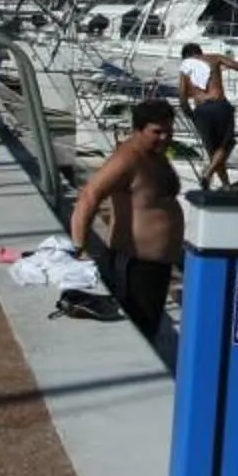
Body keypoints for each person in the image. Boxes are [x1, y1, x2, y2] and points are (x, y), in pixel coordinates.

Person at [67, 98, 183, 337]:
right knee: (137, 333)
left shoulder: (156, 154)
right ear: (137, 130)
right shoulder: (127, 159)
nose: (165, 137)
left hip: (157, 268)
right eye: (157, 132)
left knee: (150, 330)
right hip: (134, 267)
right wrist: (79, 246)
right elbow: (89, 195)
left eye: (169, 131)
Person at [176, 40, 238, 190]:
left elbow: (182, 98)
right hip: (220, 106)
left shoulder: (184, 68)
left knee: (213, 150)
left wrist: (191, 115)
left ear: (185, 57)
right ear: (199, 52)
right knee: (226, 144)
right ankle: (208, 174)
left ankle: (226, 185)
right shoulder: (214, 58)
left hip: (201, 110)